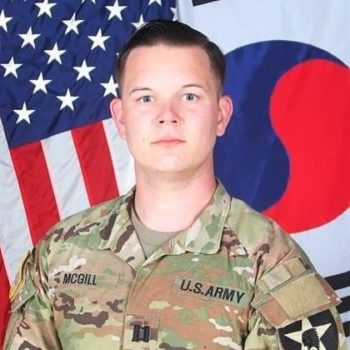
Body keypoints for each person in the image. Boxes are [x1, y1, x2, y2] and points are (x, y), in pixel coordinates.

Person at [4, 20, 346, 350]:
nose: (167, 115)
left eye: (190, 96)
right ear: (121, 118)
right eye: (146, 98)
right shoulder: (59, 252)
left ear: (221, 115)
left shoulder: (272, 267)